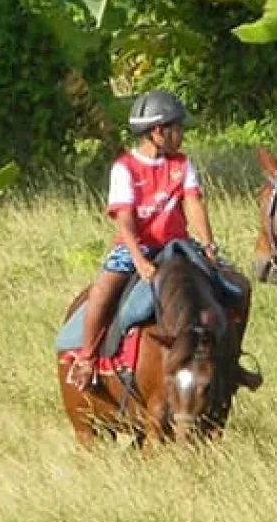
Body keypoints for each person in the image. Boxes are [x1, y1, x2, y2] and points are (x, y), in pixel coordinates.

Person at [67, 90, 223, 387]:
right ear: (157, 132)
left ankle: (230, 361)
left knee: (231, 288)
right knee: (102, 290)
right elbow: (124, 221)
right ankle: (87, 359)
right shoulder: (124, 168)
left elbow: (193, 204)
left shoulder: (182, 164)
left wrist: (208, 246)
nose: (182, 135)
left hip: (177, 247)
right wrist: (139, 261)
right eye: (177, 129)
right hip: (134, 248)